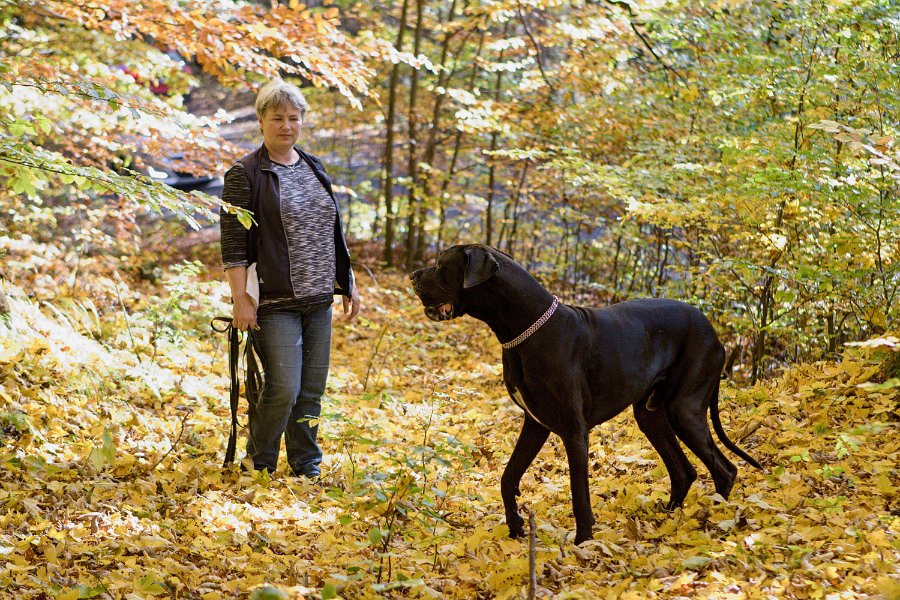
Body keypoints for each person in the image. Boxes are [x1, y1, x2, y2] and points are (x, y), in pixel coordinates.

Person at [219, 78, 360, 479]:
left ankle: (306, 466)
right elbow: (234, 245)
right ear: (261, 121)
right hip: (275, 301)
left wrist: (346, 280)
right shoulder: (244, 173)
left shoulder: (314, 166)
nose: (286, 126)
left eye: (293, 118)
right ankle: (258, 463)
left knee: (311, 392)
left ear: (302, 122)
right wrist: (240, 299)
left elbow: (331, 228)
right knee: (283, 388)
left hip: (319, 299)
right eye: (277, 118)